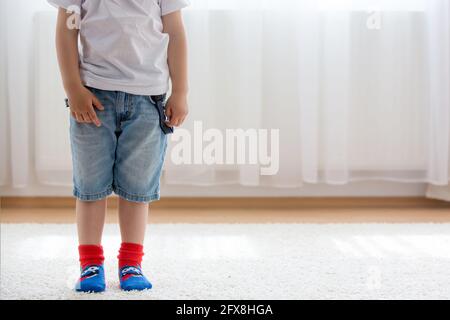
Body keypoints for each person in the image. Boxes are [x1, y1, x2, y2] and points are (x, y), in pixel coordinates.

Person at [50, 0, 189, 292]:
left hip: (147, 101)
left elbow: (176, 33)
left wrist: (181, 92)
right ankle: (90, 264)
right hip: (92, 99)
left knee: (137, 190)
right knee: (90, 187)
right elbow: (65, 31)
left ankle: (131, 263)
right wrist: (73, 88)